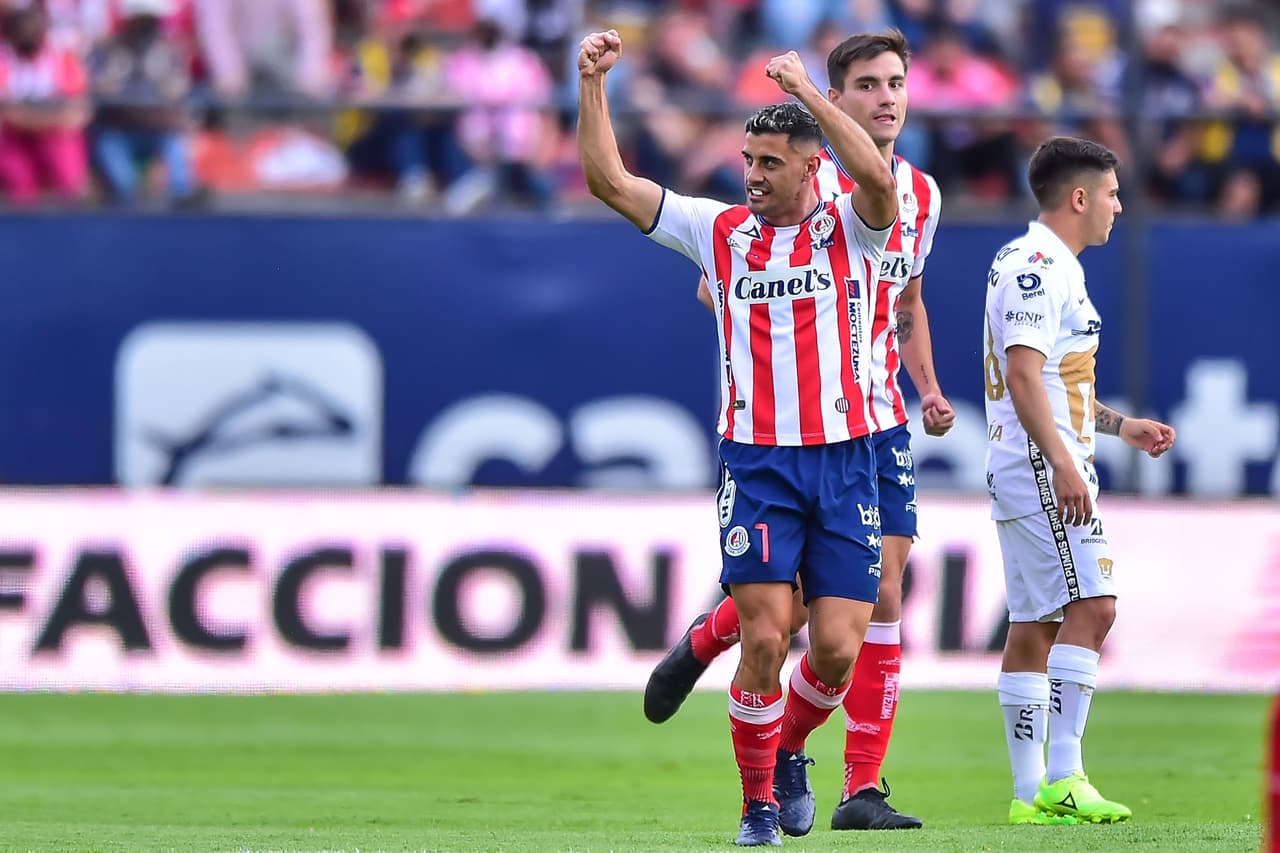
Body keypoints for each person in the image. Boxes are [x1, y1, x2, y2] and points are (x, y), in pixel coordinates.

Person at [578, 30, 897, 847]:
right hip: (757, 464)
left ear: (809, 165)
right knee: (764, 633)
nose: (751, 175)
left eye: (769, 163)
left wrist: (810, 93)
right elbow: (609, 181)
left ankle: (788, 748)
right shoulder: (716, 232)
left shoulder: (852, 229)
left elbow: (876, 176)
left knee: (833, 651)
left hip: (847, 459)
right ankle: (756, 804)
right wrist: (591, 84)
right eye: (747, 160)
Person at [644, 29, 955, 832]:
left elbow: (908, 304)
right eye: (868, 86)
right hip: (792, 431)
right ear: (834, 99)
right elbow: (737, 281)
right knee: (823, 604)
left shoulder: (918, 194)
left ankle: (848, 777)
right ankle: (802, 742)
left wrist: (927, 387)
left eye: (896, 83)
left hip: (876, 418)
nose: (887, 97)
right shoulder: (818, 198)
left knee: (869, 599)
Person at [982, 136, 1176, 826]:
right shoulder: (1041, 267)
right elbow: (1026, 374)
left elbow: (1058, 378)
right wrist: (1064, 463)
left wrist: (1122, 427)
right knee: (1095, 607)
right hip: (1042, 462)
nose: (1120, 207)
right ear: (1079, 197)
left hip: (1029, 456)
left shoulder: (1036, 259)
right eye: (1114, 193)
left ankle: (1028, 789)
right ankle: (1064, 775)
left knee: (1036, 621)